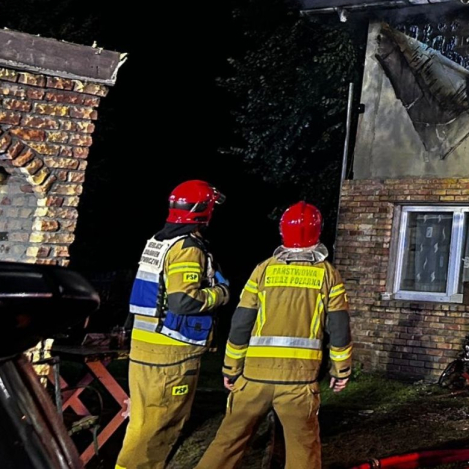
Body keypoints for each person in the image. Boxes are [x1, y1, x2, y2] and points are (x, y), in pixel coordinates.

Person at [195, 202, 353, 469]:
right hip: (298, 382)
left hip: (253, 378)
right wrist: (341, 370)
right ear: (318, 232)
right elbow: (338, 327)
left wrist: (231, 368)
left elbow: (241, 323)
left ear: (282, 231)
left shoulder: (263, 270)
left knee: (227, 444)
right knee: (303, 452)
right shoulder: (328, 275)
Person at [116, 180, 230, 469]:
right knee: (159, 428)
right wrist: (220, 292)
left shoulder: (158, 241)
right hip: (171, 353)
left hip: (144, 348)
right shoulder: (187, 248)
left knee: (143, 423)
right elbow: (183, 302)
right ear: (204, 211)